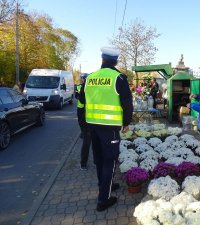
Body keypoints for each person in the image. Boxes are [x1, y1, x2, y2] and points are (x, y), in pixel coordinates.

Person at [79, 46, 133, 212]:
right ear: (115, 61)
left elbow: (81, 103)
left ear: (102, 59)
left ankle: (105, 184)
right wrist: (126, 122)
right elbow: (127, 103)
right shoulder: (118, 78)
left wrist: (83, 125)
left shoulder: (90, 78)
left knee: (99, 159)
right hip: (109, 129)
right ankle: (103, 199)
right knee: (110, 161)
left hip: (91, 126)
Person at [75, 73, 92, 170]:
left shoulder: (84, 87)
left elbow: (81, 100)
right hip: (88, 117)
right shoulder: (83, 87)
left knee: (87, 142)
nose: (82, 80)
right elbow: (80, 100)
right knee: (90, 142)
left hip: (86, 117)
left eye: (83, 78)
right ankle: (85, 163)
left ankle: (84, 164)